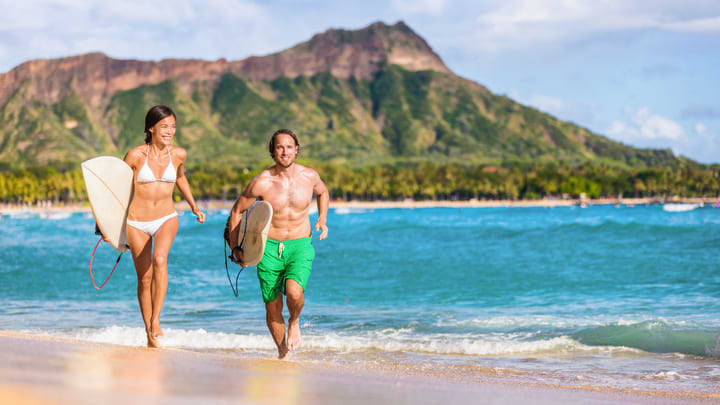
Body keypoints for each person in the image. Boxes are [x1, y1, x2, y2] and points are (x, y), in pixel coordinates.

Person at [227, 129, 329, 360]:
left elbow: (323, 192)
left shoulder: (309, 176)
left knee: (294, 292)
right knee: (272, 306)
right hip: (269, 248)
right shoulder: (262, 182)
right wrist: (236, 247)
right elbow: (237, 211)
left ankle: (294, 321)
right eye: (280, 147)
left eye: (289, 146)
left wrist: (322, 219)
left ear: (296, 149)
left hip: (300, 244)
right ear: (273, 151)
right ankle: (283, 353)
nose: (285, 151)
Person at [122, 105, 205, 348]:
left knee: (160, 260)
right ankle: (148, 330)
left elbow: (180, 178)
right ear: (151, 128)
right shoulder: (135, 155)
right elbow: (117, 187)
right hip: (136, 221)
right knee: (144, 278)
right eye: (164, 126)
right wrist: (105, 222)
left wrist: (193, 206)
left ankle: (156, 319)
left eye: (173, 126)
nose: (170, 131)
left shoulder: (178, 154)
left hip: (166, 216)